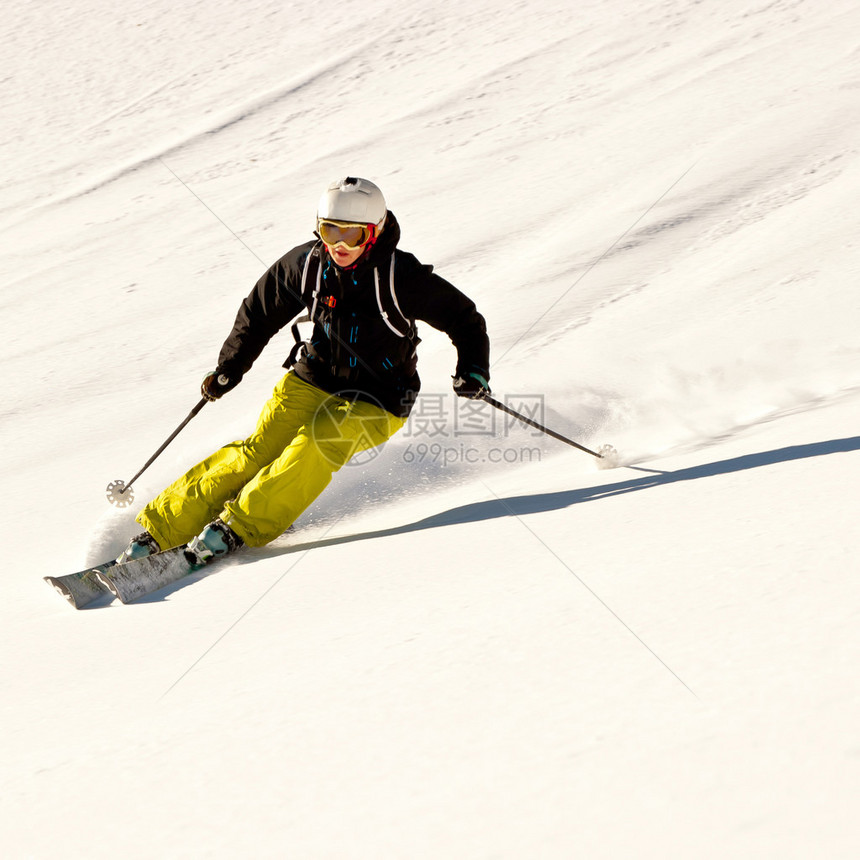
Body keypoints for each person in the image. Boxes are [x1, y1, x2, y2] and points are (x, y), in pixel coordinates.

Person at [117, 177, 491, 565]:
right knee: (258, 450)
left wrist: (474, 370)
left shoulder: (401, 277)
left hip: (379, 399)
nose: (340, 246)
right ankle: (164, 529)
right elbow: (258, 313)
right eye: (331, 231)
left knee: (316, 444)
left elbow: (464, 319)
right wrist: (230, 367)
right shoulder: (308, 264)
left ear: (375, 232)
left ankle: (237, 526)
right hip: (313, 378)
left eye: (353, 235)